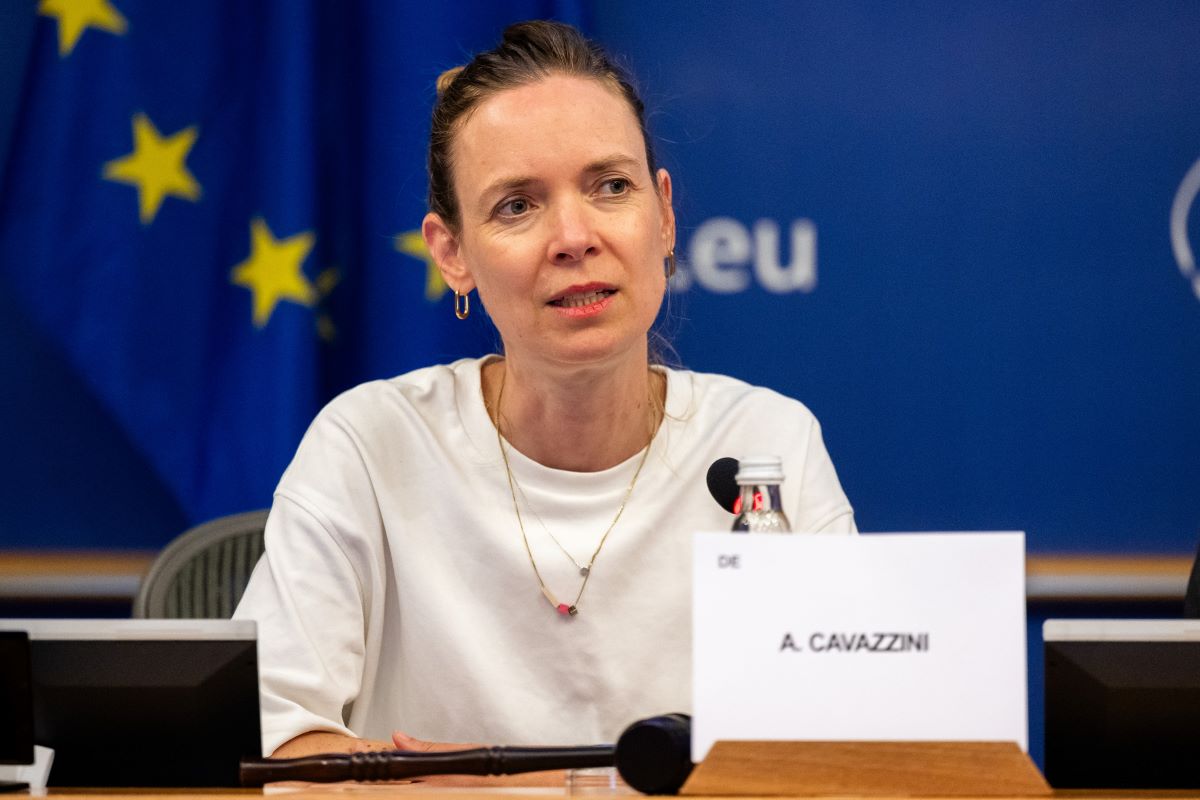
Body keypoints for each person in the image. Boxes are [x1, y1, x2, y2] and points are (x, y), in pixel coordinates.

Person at [233, 20, 855, 760]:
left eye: (611, 187)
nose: (573, 237)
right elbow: (266, 741)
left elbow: (845, 742)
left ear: (664, 216)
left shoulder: (765, 448)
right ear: (452, 253)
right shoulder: (371, 447)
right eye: (517, 205)